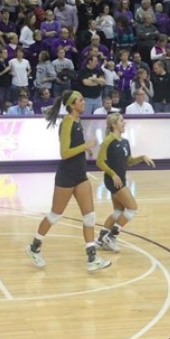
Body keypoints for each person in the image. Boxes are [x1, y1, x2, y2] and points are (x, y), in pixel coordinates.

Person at [25, 90, 110, 272]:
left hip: (80, 174)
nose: (84, 102)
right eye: (80, 100)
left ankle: (92, 258)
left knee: (89, 216)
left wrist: (84, 149)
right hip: (67, 175)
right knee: (55, 215)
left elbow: (74, 147)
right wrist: (86, 145)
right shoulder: (67, 122)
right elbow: (64, 153)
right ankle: (34, 247)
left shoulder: (77, 121)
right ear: (72, 105)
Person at [94, 113, 155, 252]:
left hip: (121, 179)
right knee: (132, 208)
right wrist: (113, 174)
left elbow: (129, 161)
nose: (124, 123)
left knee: (118, 212)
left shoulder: (125, 142)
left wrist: (142, 157)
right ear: (114, 124)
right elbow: (99, 162)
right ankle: (111, 237)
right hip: (113, 180)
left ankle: (100, 239)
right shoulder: (108, 141)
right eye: (122, 121)